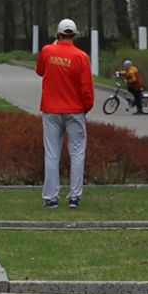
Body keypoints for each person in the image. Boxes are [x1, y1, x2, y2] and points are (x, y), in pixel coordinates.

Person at [35, 18, 94, 209]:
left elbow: (40, 71)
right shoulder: (81, 57)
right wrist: (86, 107)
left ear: (58, 34)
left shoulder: (47, 51)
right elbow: (86, 88)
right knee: (77, 153)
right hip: (75, 110)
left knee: (52, 153)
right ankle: (74, 197)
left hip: (51, 109)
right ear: (74, 35)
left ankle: (51, 197)